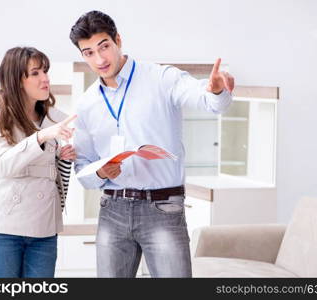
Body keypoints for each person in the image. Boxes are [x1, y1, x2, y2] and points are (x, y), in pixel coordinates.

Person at [69, 11, 234, 278]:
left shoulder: (161, 78)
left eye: (104, 47)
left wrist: (216, 91)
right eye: (88, 53)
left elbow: (208, 101)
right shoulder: (87, 103)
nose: (99, 59)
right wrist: (99, 174)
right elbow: (83, 166)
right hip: (113, 209)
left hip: (163, 207)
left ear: (118, 40)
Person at [0, 47, 77, 278]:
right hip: (3, 230)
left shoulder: (56, 117)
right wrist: (41, 137)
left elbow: (49, 175)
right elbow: (2, 165)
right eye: (35, 73)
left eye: (45, 71)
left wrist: (62, 158)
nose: (45, 78)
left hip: (44, 230)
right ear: (17, 79)